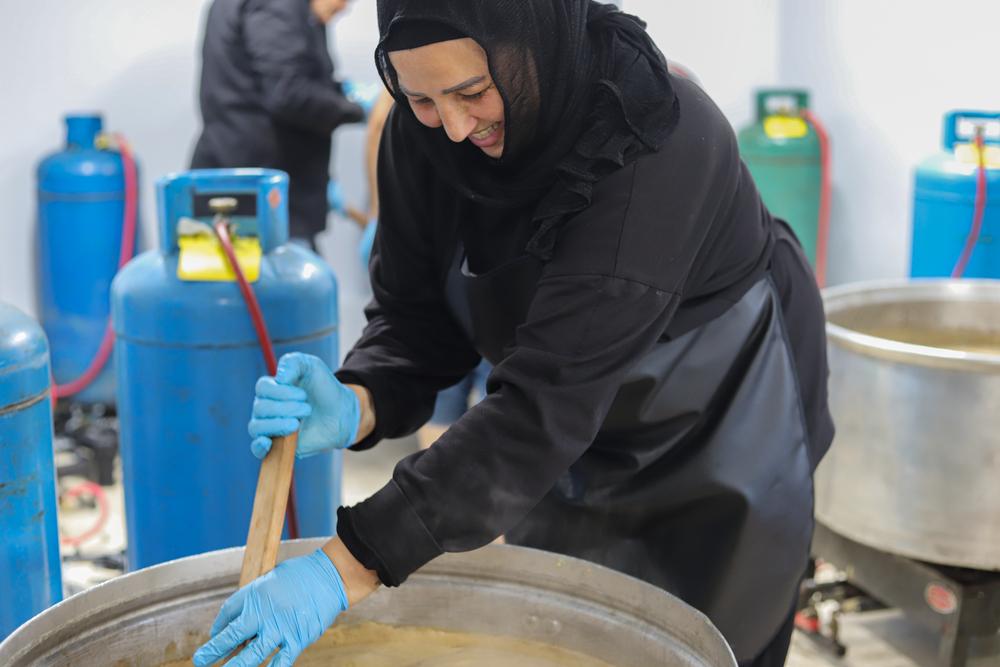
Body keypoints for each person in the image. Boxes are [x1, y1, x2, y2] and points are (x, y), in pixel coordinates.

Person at [193, 2, 834, 666]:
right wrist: (360, 397)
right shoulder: (425, 136)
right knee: (563, 630)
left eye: (472, 92)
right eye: (422, 98)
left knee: (705, 638)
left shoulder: (655, 140)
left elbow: (541, 408)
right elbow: (416, 322)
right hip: (563, 426)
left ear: (535, 40)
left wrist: (346, 565)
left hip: (718, 424)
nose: (456, 126)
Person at [190, 0, 367, 248]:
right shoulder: (276, 5)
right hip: (260, 193)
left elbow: (288, 76)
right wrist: (354, 109)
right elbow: (289, 93)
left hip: (247, 183)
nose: (345, 7)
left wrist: (341, 94)